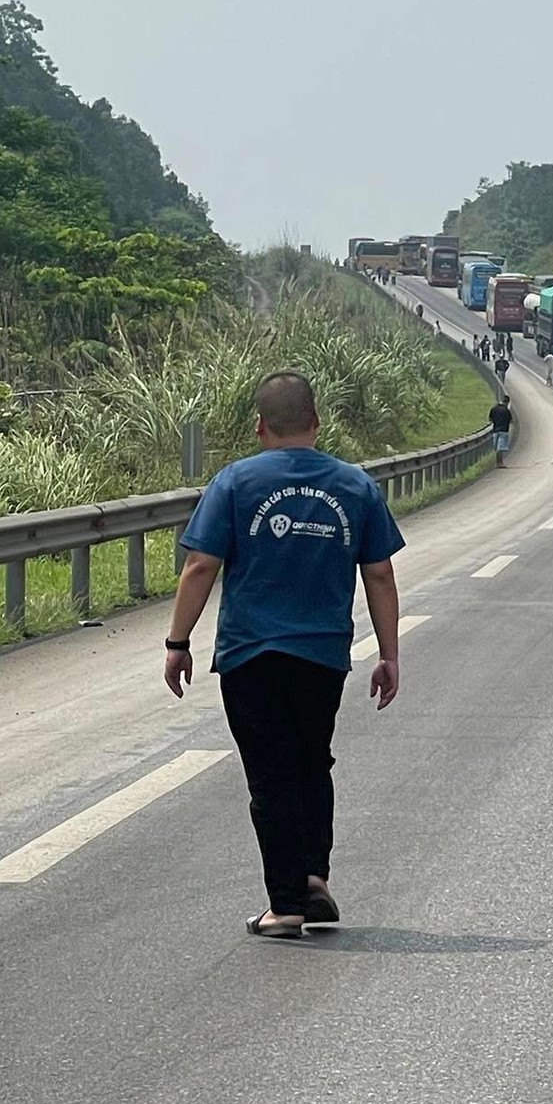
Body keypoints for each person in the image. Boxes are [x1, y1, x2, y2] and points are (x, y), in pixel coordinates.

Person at [165, 372, 404, 940]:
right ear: (317, 422)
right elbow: (379, 573)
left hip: (251, 656)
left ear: (259, 425)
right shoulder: (355, 486)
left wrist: (178, 643)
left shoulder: (234, 482)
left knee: (271, 776)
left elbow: (201, 566)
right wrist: (389, 655)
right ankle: (314, 878)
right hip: (322, 656)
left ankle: (286, 903)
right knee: (312, 762)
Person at [489, 394, 513, 466]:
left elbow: (490, 419)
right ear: (507, 402)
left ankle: (498, 462)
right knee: (501, 448)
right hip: (504, 430)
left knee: (497, 448)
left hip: (495, 430)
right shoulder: (506, 410)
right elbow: (511, 420)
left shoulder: (494, 409)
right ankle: (500, 463)